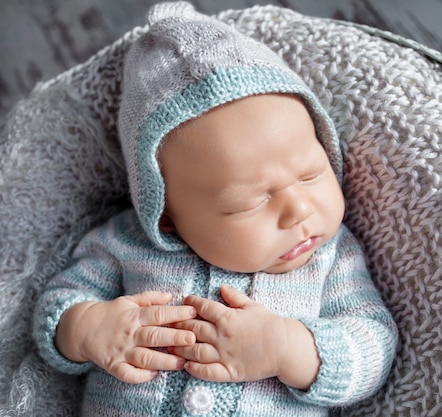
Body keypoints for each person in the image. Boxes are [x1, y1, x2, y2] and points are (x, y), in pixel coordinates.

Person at [33, 2, 398, 416]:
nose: (298, 209)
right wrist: (87, 329)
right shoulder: (124, 242)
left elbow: (374, 345)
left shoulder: (331, 258)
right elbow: (58, 302)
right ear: (166, 216)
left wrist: (286, 347)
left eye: (312, 175)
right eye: (249, 202)